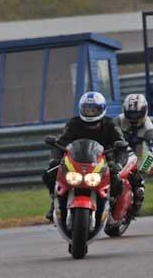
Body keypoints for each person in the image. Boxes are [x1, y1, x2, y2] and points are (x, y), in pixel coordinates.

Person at [42, 91, 127, 221]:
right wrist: (55, 160)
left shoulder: (110, 125)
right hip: (76, 162)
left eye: (93, 110)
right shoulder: (74, 124)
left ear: (101, 109)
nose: (90, 113)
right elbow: (61, 142)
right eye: (87, 110)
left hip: (102, 162)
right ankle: (55, 202)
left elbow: (122, 145)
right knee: (50, 172)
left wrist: (118, 163)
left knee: (116, 179)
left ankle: (109, 206)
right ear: (81, 109)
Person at [115, 93, 153, 216]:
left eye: (137, 114)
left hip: (139, 150)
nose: (133, 118)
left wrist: (141, 170)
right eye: (130, 114)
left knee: (139, 172)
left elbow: (150, 153)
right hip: (120, 148)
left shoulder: (149, 130)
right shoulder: (118, 120)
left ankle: (138, 196)